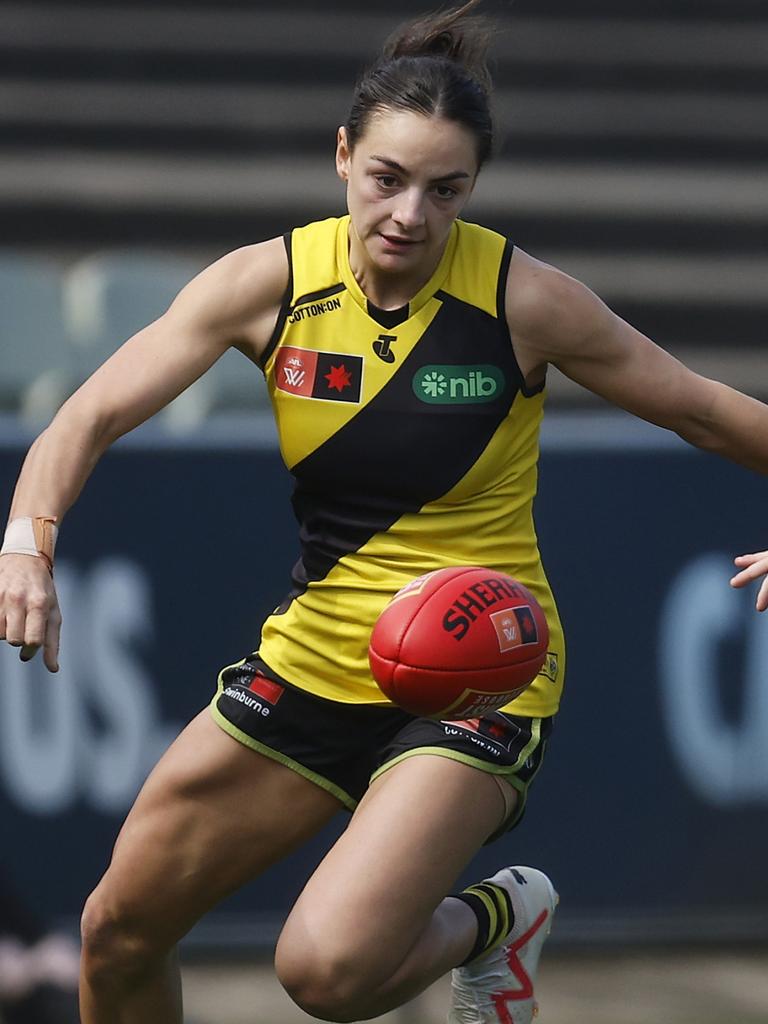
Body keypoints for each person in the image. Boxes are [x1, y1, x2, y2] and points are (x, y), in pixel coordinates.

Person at [2, 2, 768, 1021]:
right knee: (118, 932)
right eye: (387, 180)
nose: (411, 214)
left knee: (324, 974)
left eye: (445, 190)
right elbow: (89, 412)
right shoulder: (269, 284)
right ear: (341, 156)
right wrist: (28, 539)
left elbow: (711, 414)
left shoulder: (521, 301)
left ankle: (498, 917)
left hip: (483, 663)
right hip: (323, 654)